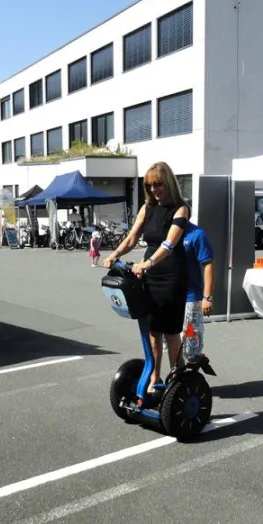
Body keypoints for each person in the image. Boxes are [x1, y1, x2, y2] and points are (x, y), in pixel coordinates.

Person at [104, 162, 189, 390]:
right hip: (149, 275)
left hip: (171, 274)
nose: (153, 190)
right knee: (153, 331)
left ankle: (177, 378)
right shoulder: (146, 207)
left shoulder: (180, 208)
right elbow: (132, 238)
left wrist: (148, 262)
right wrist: (114, 254)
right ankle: (154, 377)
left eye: (158, 184)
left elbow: (170, 243)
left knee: (171, 332)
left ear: (168, 182)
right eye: (149, 185)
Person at [182, 221, 215, 364]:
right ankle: (178, 374)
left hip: (191, 297)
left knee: (190, 340)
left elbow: (208, 264)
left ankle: (193, 368)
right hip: (170, 294)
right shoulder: (165, 231)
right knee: (171, 342)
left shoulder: (197, 234)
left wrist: (207, 297)